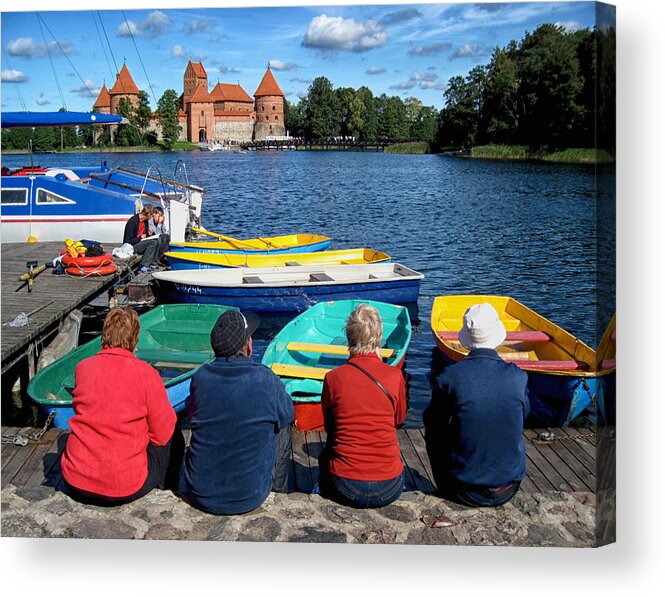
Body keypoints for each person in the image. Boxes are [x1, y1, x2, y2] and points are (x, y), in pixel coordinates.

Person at [61, 307, 184, 506]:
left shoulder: (83, 367)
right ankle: (170, 491)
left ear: (105, 335)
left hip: (76, 479)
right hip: (124, 484)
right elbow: (163, 432)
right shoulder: (146, 373)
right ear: (134, 339)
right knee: (174, 434)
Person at [181, 309, 294, 515]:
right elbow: (288, 414)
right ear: (249, 346)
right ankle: (278, 491)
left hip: (201, 492)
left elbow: (192, 412)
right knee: (283, 426)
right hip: (250, 494)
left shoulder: (201, 378)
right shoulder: (265, 379)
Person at [423, 302, 530, 507]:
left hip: (464, 490)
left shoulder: (450, 377)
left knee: (435, 428)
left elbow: (432, 424)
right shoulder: (518, 376)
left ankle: (443, 487)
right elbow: (523, 416)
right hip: (508, 488)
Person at [318, 303, 407, 508]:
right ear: (379, 336)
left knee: (326, 455)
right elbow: (399, 419)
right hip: (390, 485)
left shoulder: (333, 378)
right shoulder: (394, 376)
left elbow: (329, 427)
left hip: (344, 484)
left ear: (349, 337)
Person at [123, 204, 160, 273]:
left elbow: (145, 235)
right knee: (153, 243)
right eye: (151, 216)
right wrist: (140, 238)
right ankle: (143, 265)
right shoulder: (132, 222)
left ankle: (152, 262)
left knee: (157, 240)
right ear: (148, 214)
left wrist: (150, 234)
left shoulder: (145, 222)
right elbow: (127, 241)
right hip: (132, 246)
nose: (151, 218)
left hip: (140, 242)